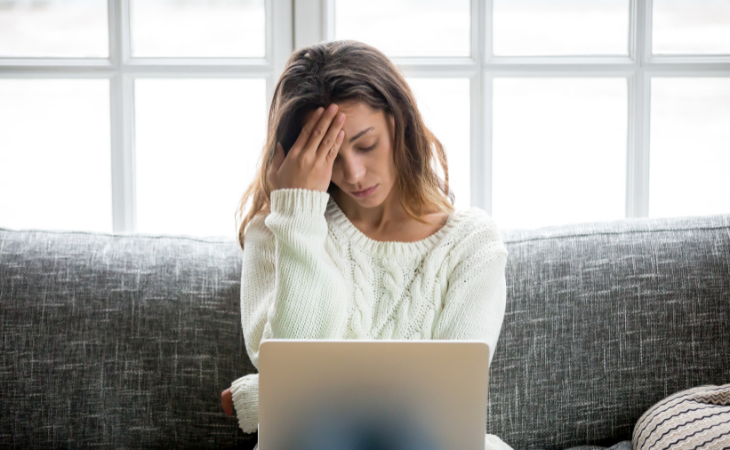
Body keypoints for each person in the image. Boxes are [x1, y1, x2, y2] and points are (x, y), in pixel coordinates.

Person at [220, 39, 513, 450]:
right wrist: (299, 216)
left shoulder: (472, 244)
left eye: (366, 144)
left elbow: (446, 409)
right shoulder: (279, 228)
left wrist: (261, 398)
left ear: (398, 122)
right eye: (330, 156)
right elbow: (293, 369)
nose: (353, 174)